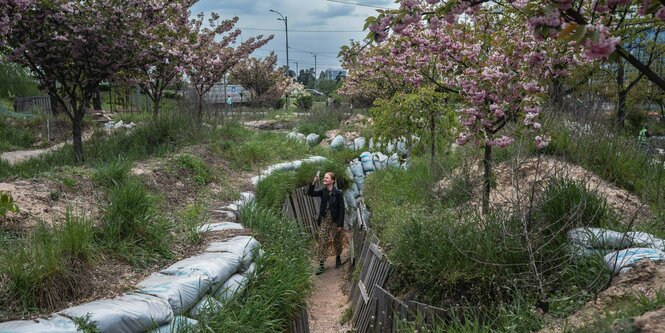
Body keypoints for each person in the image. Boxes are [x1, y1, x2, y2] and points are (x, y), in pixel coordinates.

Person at [308, 171, 345, 275]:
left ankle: (338, 258)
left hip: (334, 220)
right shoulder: (323, 191)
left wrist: (340, 224)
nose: (324, 179)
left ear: (332, 181)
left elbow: (342, 209)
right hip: (324, 219)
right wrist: (313, 183)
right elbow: (311, 193)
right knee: (322, 240)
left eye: (327, 178)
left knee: (337, 240)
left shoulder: (338, 193)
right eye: (324, 178)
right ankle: (321, 265)